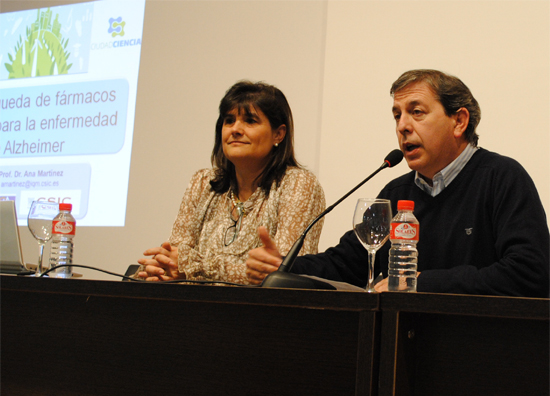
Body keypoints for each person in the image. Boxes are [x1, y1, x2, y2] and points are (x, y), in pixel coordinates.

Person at [246, 69, 550, 297]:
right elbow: (348, 263)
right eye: (397, 115)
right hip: (402, 346)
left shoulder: (501, 178)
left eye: (416, 112)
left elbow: (530, 273)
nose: (403, 126)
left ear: (459, 121)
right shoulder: (396, 193)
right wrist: (284, 267)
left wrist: (421, 283)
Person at [137, 81, 325, 284]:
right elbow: (175, 256)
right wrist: (162, 268)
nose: (235, 129)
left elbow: (281, 274)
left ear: (278, 134)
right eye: (229, 120)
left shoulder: (298, 184)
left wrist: (194, 267)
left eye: (250, 121)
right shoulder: (203, 182)